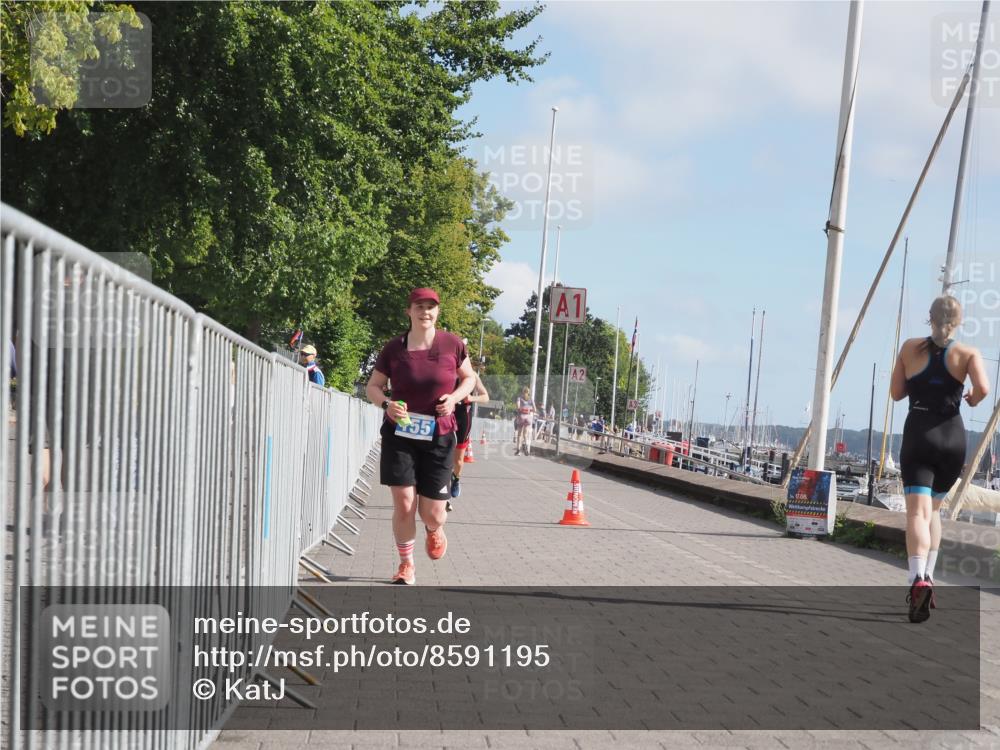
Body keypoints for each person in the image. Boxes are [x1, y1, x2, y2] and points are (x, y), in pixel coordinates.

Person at [366, 288, 476, 585]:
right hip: (400, 435)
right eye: (419, 306)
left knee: (433, 513)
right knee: (404, 504)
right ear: (409, 311)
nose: (425, 312)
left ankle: (434, 529)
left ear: (437, 312)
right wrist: (387, 404)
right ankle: (406, 564)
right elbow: (373, 387)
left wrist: (453, 398)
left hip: (439, 437)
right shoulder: (393, 349)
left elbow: (470, 379)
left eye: (430, 307)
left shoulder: (452, 344)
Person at [890, 295, 990, 623]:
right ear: (958, 322)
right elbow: (984, 389)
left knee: (916, 513)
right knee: (933, 510)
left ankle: (917, 578)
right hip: (952, 438)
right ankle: (929, 578)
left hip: (920, 432)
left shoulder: (909, 348)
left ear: (928, 318)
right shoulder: (968, 353)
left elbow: (897, 392)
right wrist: (973, 399)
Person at [449, 370, 489, 509]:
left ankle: (456, 480)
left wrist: (471, 399)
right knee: (442, 453)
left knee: (458, 460)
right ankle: (441, 493)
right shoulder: (444, 368)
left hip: (463, 417)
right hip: (446, 413)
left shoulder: (471, 374)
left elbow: (485, 397)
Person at [514, 386, 535, 456]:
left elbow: (518, 407)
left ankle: (518, 450)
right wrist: (529, 410)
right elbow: (534, 409)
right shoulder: (531, 399)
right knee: (525, 434)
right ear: (528, 392)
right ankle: (526, 447)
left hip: (521, 417)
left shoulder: (519, 398)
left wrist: (520, 409)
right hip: (528, 418)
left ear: (523, 392)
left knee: (519, 434)